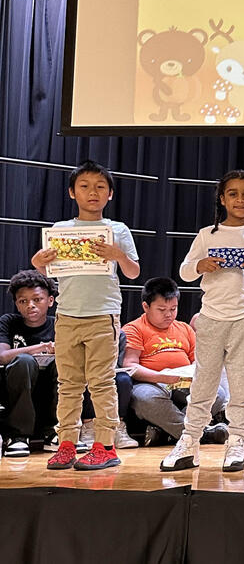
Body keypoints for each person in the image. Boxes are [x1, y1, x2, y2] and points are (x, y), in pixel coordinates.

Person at [161, 169, 244, 473]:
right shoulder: (207, 234)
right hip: (212, 317)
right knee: (203, 382)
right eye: (233, 194)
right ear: (222, 199)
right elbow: (185, 271)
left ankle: (237, 439)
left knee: (243, 382)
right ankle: (189, 441)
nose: (240, 199)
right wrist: (201, 264)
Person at [30, 160, 141, 471]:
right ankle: (66, 443)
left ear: (110, 194)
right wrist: (38, 262)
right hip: (67, 317)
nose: (93, 192)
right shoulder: (59, 230)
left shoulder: (117, 230)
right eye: (85, 186)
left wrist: (118, 255)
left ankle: (105, 446)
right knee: (68, 384)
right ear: (72, 192)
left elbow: (134, 272)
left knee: (102, 383)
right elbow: (50, 271)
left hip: (103, 316)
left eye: (100, 187)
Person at [124, 277, 228, 446]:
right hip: (151, 382)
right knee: (146, 399)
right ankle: (201, 434)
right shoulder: (133, 329)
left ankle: (168, 432)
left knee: (218, 394)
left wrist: (194, 375)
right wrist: (160, 377)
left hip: (183, 381)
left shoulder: (185, 328)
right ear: (146, 307)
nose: (168, 314)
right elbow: (130, 365)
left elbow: (198, 361)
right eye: (161, 309)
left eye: (173, 309)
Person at [0, 270, 59, 457]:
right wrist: (39, 348)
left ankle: (55, 431)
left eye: (37, 299)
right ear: (16, 304)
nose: (30, 305)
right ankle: (18, 436)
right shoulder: (9, 322)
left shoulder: (59, 324)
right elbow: (2, 356)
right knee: (24, 360)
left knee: (65, 363)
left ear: (50, 301)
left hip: (50, 391)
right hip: (17, 391)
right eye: (23, 301)